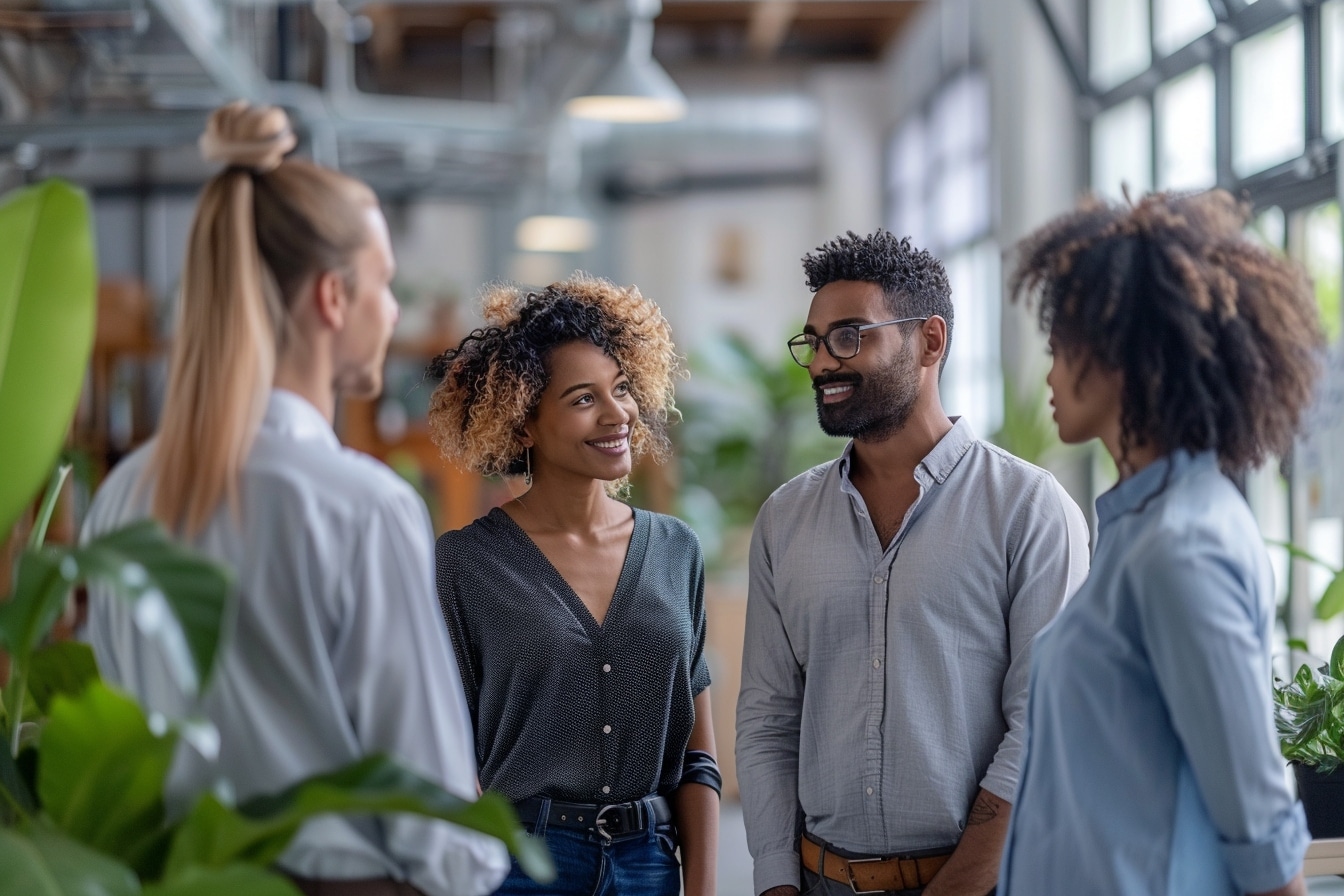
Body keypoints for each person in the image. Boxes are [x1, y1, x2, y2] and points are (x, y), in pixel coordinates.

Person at [83, 101, 509, 896]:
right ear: (331, 298)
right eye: (384, 284)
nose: (392, 310)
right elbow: (438, 824)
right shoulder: (361, 507)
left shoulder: (121, 495)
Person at [737, 229, 1090, 896]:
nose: (820, 364)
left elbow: (1044, 726)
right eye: (813, 342)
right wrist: (776, 880)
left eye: (850, 336)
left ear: (930, 342)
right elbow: (768, 717)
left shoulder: (1028, 509)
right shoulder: (786, 519)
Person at [998, 191, 1319, 896]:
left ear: (1127, 350)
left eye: (1063, 346)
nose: (1049, 372)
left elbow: (1258, 823)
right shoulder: (1139, 530)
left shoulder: (1182, 548)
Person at [426, 274, 720, 896]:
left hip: (651, 864)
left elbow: (698, 758)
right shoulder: (462, 566)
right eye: (583, 398)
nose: (617, 414)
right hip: (521, 867)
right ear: (523, 423)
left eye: (620, 389)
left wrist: (701, 887)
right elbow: (440, 758)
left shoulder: (675, 551)